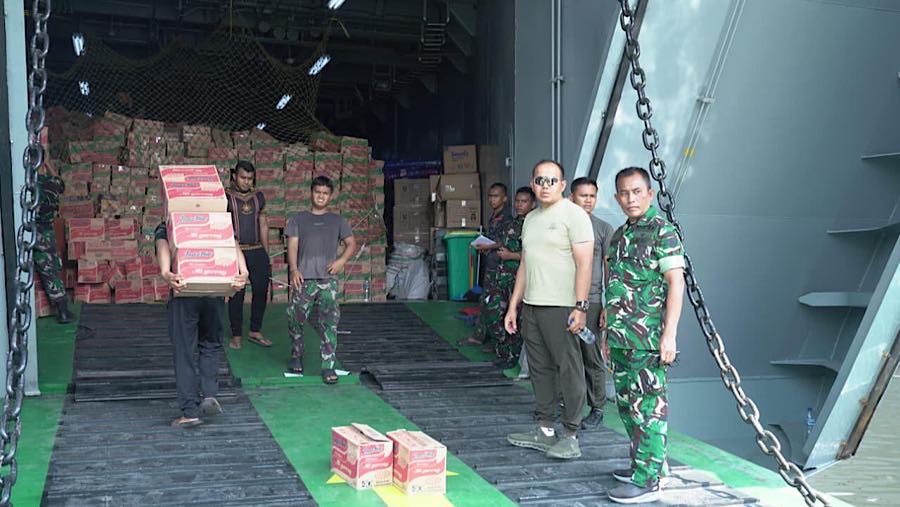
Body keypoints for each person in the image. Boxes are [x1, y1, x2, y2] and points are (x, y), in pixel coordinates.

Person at [603, 167, 685, 504]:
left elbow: (675, 283)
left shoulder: (662, 232)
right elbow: (614, 288)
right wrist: (608, 334)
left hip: (648, 340)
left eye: (637, 191)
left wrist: (670, 335)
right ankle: (647, 465)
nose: (630, 198)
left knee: (649, 408)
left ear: (650, 194)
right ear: (617, 198)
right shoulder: (621, 235)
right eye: (624, 193)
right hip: (622, 339)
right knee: (628, 408)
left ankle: (648, 480)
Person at [504, 160, 594, 460]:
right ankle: (544, 430)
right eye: (540, 180)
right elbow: (526, 264)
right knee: (540, 369)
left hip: (563, 307)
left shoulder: (575, 216)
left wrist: (581, 307)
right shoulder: (530, 219)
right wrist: (514, 305)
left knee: (569, 370)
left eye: (552, 180)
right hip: (532, 306)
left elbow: (585, 264)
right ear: (533, 183)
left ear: (563, 184)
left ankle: (570, 433)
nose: (545, 185)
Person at [156, 222, 248, 428]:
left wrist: (165, 273)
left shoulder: (172, 221)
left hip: (184, 291)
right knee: (211, 344)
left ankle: (190, 412)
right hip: (213, 291)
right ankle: (209, 394)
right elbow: (232, 243)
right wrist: (244, 272)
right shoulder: (215, 221)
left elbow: (162, 243)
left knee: (184, 351)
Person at [285, 176, 357, 384]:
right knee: (295, 317)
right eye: (317, 192)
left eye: (325, 193)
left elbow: (351, 243)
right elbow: (292, 246)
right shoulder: (298, 219)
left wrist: (341, 261)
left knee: (329, 322)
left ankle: (328, 365)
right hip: (304, 278)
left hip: (328, 280)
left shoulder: (338, 221)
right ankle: (296, 356)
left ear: (330, 196)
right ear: (311, 193)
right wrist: (294, 270)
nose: (321, 196)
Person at [569, 177, 615, 429]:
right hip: (563, 300)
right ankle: (570, 404)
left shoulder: (603, 228)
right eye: (582, 195)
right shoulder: (563, 224)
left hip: (592, 301)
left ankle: (597, 407)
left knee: (591, 354)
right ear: (571, 197)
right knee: (566, 356)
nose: (587, 200)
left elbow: (608, 267)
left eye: (592, 196)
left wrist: (607, 304)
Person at [458, 183, 512, 349]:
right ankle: (480, 336)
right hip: (491, 265)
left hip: (501, 269)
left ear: (504, 198)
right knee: (484, 302)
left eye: (496, 196)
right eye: (490, 196)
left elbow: (505, 242)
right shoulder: (494, 216)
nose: (491, 199)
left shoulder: (507, 219)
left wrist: (488, 246)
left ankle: (499, 341)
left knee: (497, 305)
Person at [225, 161, 272, 349]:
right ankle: (236, 334)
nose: (246, 182)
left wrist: (266, 253)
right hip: (235, 251)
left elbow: (263, 224)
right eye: (243, 177)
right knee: (237, 293)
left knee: (261, 291)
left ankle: (255, 330)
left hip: (256, 249)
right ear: (235, 175)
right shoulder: (225, 197)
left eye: (250, 178)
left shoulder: (258, 197)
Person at [491, 186, 535, 368]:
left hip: (520, 279)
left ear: (532, 204)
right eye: (517, 201)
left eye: (523, 201)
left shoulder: (533, 225)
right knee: (499, 314)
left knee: (517, 317)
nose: (519, 205)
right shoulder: (511, 223)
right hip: (503, 276)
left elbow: (531, 254)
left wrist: (511, 256)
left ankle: (514, 357)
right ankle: (503, 353)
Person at [35, 158, 73, 324]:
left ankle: (62, 310)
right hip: (46, 232)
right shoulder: (52, 184)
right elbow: (60, 182)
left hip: (32, 232)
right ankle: (62, 308)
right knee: (50, 269)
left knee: (46, 270)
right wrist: (48, 162)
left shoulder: (30, 186)